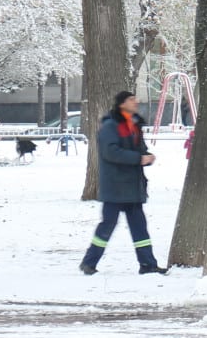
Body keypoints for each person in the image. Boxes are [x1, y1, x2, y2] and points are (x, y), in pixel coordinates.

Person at [79, 91, 168, 276]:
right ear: (121, 104)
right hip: (115, 187)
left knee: (139, 227)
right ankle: (89, 262)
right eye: (131, 100)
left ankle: (148, 264)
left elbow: (139, 149)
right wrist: (139, 158)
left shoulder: (134, 125)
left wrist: (147, 156)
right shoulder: (111, 126)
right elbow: (111, 152)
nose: (136, 102)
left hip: (132, 187)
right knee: (108, 225)